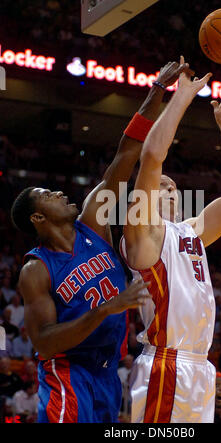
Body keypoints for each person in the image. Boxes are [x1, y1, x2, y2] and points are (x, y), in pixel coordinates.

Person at [11, 60, 190, 423]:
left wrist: (157, 90)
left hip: (108, 375)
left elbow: (126, 154)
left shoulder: (93, 220)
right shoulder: (36, 269)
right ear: (37, 218)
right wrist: (106, 309)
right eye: (47, 194)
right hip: (69, 374)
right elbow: (44, 342)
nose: (59, 192)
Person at [120, 60, 221, 423]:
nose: (170, 188)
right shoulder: (143, 232)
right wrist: (180, 97)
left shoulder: (191, 231)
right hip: (165, 365)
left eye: (174, 186)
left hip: (200, 369)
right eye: (163, 185)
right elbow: (151, 156)